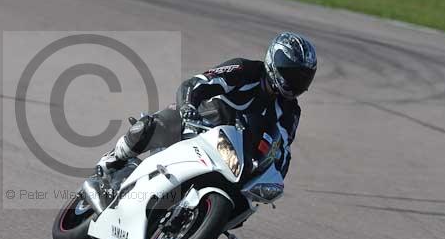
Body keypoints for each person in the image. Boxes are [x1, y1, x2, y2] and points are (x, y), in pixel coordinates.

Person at [97, 32, 317, 180]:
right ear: (274, 61)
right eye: (290, 73)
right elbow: (197, 83)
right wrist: (188, 107)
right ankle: (112, 160)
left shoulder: (290, 111)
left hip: (231, 156)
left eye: (303, 78)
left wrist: (273, 174)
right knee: (151, 126)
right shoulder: (244, 69)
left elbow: (283, 152)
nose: (296, 82)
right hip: (197, 123)